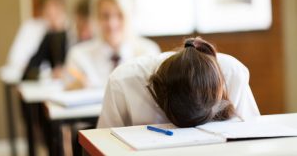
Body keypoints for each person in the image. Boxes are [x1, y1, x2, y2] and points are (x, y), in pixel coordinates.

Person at [97, 37, 260, 128]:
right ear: (158, 91)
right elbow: (100, 144)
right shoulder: (123, 81)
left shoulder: (232, 74)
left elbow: (252, 133)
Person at [65, 0, 160, 89]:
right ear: (96, 18)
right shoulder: (78, 57)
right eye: (105, 16)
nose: (112, 24)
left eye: (120, 15)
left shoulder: (149, 53)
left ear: (130, 16)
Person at [3, 0, 68, 81]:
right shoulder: (31, 28)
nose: (51, 11)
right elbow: (15, 59)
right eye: (47, 7)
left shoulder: (70, 30)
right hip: (36, 80)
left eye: (55, 7)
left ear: (62, 8)